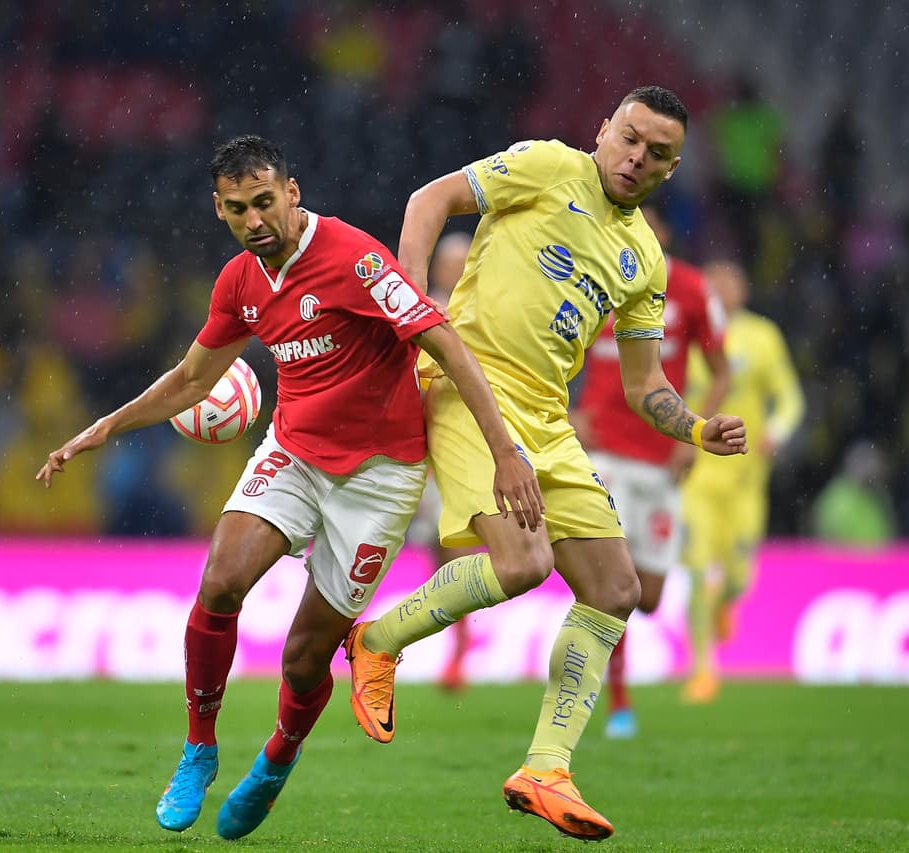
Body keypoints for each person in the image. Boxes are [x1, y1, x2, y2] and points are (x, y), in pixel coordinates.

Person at [35, 135, 542, 840]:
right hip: (295, 452)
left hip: (382, 476)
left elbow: (445, 343)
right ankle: (199, 747)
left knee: (304, 658)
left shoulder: (357, 259)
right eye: (238, 208)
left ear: (292, 193)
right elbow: (192, 379)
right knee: (220, 582)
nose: (254, 220)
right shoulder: (239, 282)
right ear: (220, 209)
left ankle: (276, 759)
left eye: (265, 201)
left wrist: (506, 454)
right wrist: (106, 425)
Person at [343, 86, 748, 841]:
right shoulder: (545, 165)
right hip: (466, 384)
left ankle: (546, 767)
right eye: (630, 138)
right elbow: (428, 200)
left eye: (658, 154)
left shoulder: (645, 258)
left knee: (617, 586)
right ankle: (378, 637)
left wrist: (694, 428)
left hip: (547, 419)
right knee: (523, 562)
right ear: (603, 129)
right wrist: (411, 311)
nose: (637, 158)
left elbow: (644, 384)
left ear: (673, 168)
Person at [571, 204, 730, 739]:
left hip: (662, 459)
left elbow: (722, 369)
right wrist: (572, 411)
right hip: (606, 455)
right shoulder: (593, 280)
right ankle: (617, 700)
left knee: (650, 594)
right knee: (616, 583)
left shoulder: (690, 288)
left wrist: (697, 434)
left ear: (662, 232)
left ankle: (604, 677)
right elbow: (556, 351)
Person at [680, 259, 804, 704]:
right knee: (696, 569)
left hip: (747, 477)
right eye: (712, 283)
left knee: (738, 576)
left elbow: (789, 397)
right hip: (697, 474)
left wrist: (776, 430)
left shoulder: (762, 337)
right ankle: (702, 669)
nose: (720, 289)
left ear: (744, 291)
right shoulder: (684, 331)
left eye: (729, 282)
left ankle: (726, 603)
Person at [413, 229, 484, 691]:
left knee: (454, 545)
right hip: (414, 447)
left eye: (462, 263)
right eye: (447, 263)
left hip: (458, 447)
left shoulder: (481, 316)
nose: (453, 271)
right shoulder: (417, 312)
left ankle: (459, 647)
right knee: (434, 552)